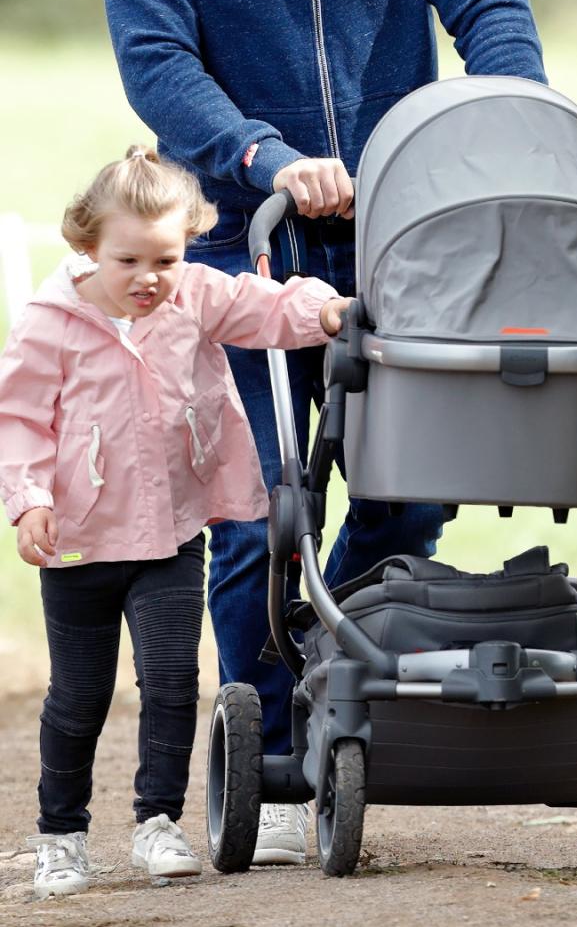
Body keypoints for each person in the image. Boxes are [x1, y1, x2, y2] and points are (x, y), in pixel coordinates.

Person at [102, 0, 546, 863]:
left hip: (406, 236)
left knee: (414, 486)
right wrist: (257, 154)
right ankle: (276, 758)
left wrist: (512, 127)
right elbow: (156, 61)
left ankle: (331, 676)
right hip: (245, 239)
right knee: (259, 507)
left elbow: (489, 4)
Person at [0, 147, 349, 898]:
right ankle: (62, 834)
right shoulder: (48, 323)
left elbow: (260, 306)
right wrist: (28, 500)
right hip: (79, 544)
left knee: (170, 683)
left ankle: (157, 821)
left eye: (166, 257)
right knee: (80, 696)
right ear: (86, 246)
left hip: (169, 536)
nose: (148, 277)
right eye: (128, 260)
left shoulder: (191, 295)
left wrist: (321, 311)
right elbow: (19, 420)